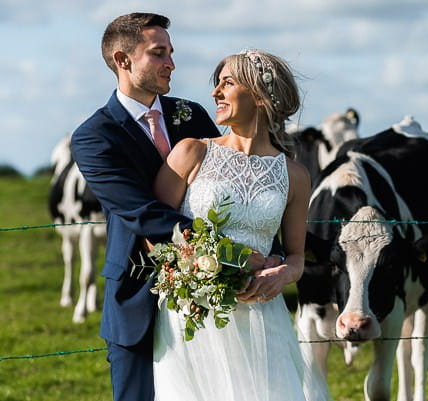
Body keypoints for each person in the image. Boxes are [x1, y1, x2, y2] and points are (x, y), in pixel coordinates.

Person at [70, 13, 282, 401]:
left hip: (211, 302)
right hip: (138, 301)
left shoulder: (193, 115)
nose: (171, 63)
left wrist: (271, 254)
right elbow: (145, 215)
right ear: (123, 60)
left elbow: (235, 189)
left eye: (171, 52)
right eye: (159, 53)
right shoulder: (94, 137)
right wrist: (235, 256)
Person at [151, 50, 331, 400]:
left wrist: (282, 275)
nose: (216, 93)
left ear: (261, 95)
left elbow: (295, 256)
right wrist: (210, 268)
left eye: (227, 83)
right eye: (216, 84)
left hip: (262, 319)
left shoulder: (294, 175)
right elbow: (153, 234)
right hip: (194, 318)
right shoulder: (191, 152)